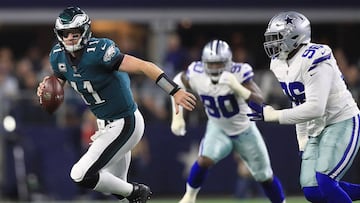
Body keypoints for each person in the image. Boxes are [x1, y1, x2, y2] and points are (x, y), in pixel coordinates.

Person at [36, 6, 197, 203]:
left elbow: (144, 66)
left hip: (125, 122)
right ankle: (132, 195)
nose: (70, 37)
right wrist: (48, 88)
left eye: (75, 33)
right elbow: (60, 81)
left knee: (80, 174)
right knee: (116, 190)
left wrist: (175, 90)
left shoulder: (99, 51)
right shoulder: (57, 56)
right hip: (105, 124)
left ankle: (138, 191)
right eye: (65, 33)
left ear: (85, 31)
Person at [247, 11, 360, 203]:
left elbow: (316, 107)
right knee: (312, 190)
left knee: (325, 181)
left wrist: (273, 115)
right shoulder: (278, 64)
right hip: (315, 128)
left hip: (340, 120)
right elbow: (297, 100)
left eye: (277, 38)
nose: (272, 43)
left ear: (294, 36)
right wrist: (301, 139)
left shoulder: (315, 56)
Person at [171, 39, 286, 203]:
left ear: (228, 62)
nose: (215, 68)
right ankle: (189, 197)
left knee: (264, 176)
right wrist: (177, 116)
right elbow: (178, 82)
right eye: (211, 64)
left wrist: (237, 87)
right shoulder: (196, 73)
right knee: (204, 159)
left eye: (219, 63)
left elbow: (259, 100)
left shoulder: (239, 73)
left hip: (244, 129)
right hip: (218, 127)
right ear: (204, 63)